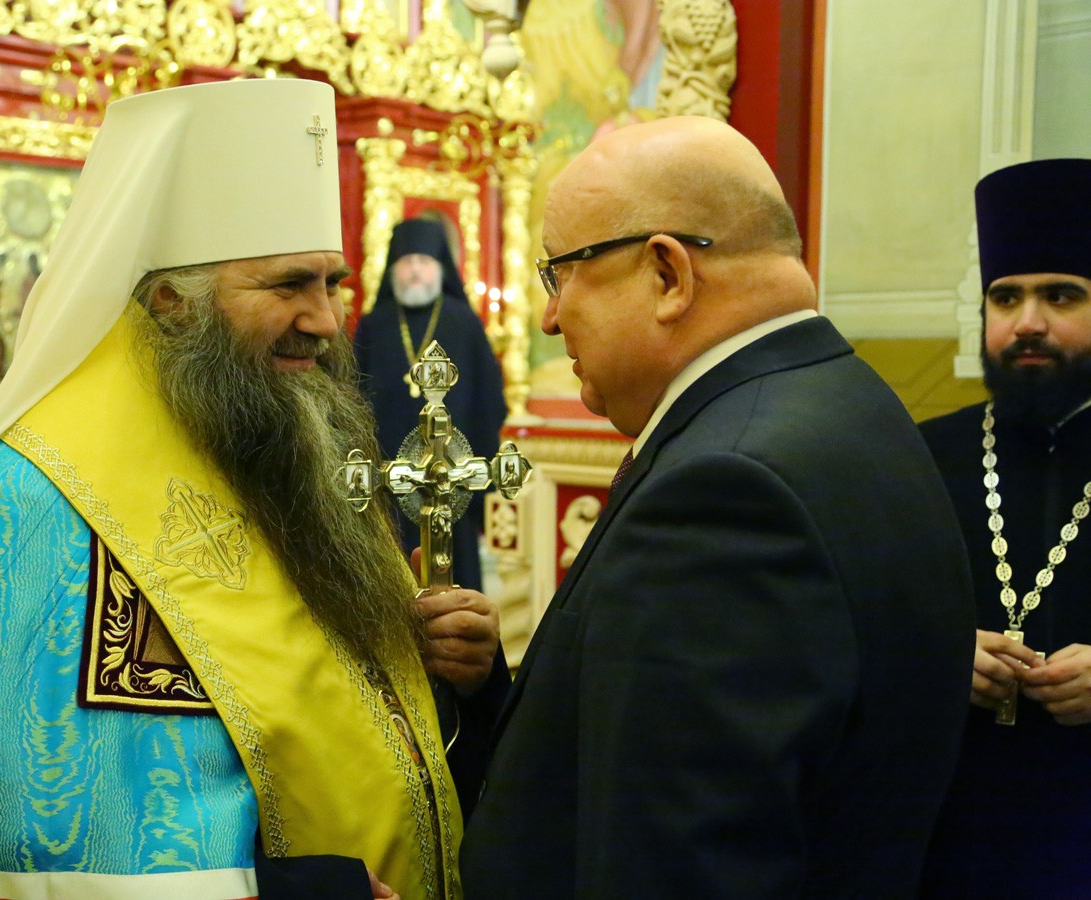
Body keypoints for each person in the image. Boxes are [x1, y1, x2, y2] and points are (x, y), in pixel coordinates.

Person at [0, 78, 503, 899]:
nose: (326, 320)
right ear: (173, 301)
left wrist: (459, 678)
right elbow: (4, 835)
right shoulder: (34, 504)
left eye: (333, 284)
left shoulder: (289, 436)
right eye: (288, 286)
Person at [459, 115, 976, 898]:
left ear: (668, 275)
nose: (549, 317)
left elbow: (680, 867)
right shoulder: (847, 400)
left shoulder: (724, 494)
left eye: (560, 274)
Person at [919, 157, 1091, 895]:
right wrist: (937, 660)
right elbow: (856, 623)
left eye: (1062, 295)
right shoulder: (921, 454)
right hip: (953, 831)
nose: (1027, 323)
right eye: (1006, 296)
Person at [353, 217, 506, 591]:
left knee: (455, 579)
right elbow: (351, 398)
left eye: (424, 261)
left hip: (451, 482)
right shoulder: (374, 325)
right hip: (389, 484)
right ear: (392, 270)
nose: (415, 270)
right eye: (406, 261)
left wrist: (479, 469)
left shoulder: (464, 323)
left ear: (441, 268)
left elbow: (488, 400)